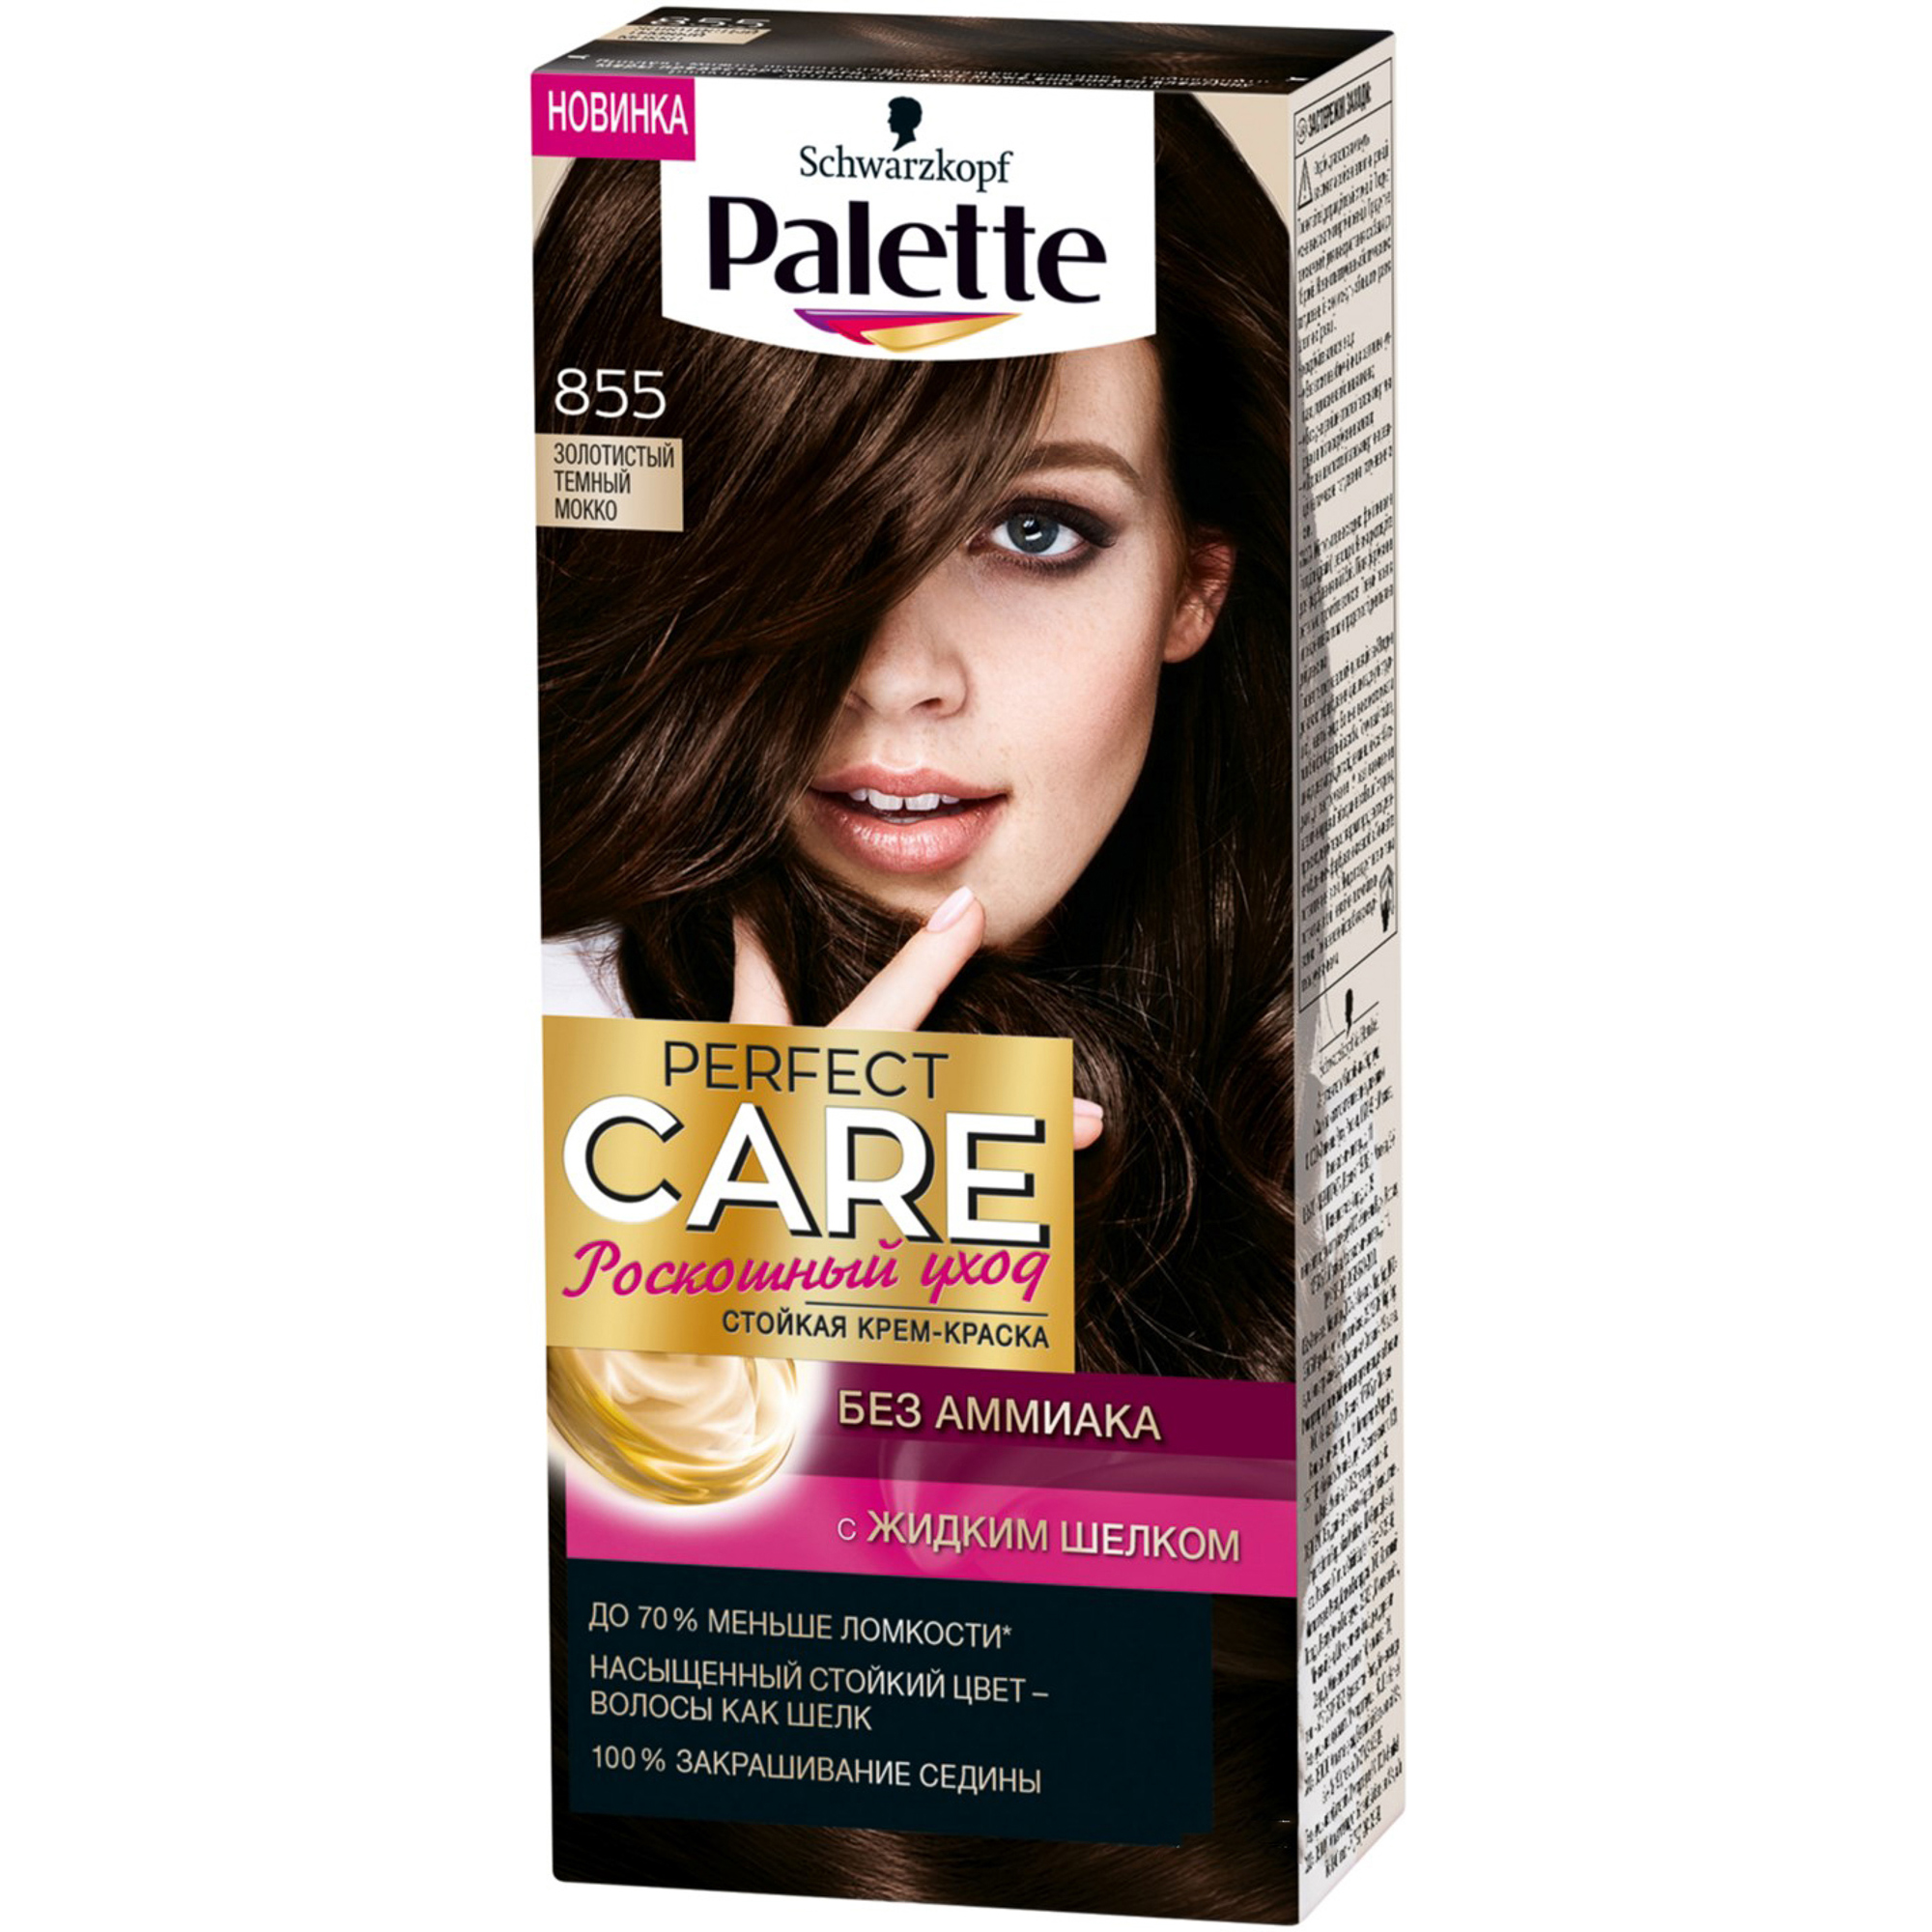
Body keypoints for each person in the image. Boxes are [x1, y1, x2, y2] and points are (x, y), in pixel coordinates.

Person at [539, 86, 1305, 1919]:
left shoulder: (1317, 1073)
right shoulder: (546, 1038)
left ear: (1196, 585)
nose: (896, 675)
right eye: (793, 523)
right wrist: (725, 1289)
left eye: (1035, 530)